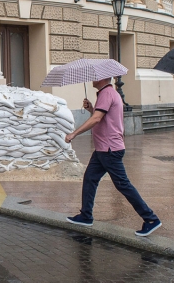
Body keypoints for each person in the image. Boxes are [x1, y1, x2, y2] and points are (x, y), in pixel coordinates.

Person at [64, 78, 162, 237]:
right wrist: (92, 109)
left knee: (123, 184)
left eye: (95, 77)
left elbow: (97, 119)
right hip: (104, 149)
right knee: (90, 178)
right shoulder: (108, 93)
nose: (92, 79)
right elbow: (103, 117)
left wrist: (74, 133)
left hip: (109, 150)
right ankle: (86, 215)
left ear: (103, 78)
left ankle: (150, 219)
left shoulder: (107, 93)